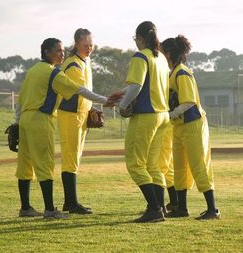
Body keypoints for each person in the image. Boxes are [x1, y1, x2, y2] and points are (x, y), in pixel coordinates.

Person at [15, 38, 108, 219]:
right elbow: (79, 90)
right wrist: (106, 100)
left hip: (26, 120)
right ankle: (50, 210)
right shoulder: (53, 73)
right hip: (41, 119)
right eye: (57, 51)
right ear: (46, 52)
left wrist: (16, 123)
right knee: (45, 163)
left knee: (25, 165)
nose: (62, 53)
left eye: (62, 50)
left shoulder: (32, 70)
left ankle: (25, 208)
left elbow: (20, 101)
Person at [111, 21, 170, 223]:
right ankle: (160, 208)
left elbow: (137, 85)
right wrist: (123, 94)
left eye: (135, 38)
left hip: (146, 115)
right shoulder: (161, 57)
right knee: (153, 165)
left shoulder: (140, 56)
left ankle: (154, 210)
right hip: (163, 115)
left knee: (135, 164)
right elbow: (145, 85)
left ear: (141, 38)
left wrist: (123, 105)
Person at [160, 35, 220, 220]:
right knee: (179, 167)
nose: (159, 54)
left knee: (199, 164)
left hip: (193, 124)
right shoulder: (172, 73)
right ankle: (182, 208)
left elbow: (188, 102)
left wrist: (169, 114)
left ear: (168, 53)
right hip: (179, 126)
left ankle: (212, 209)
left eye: (162, 51)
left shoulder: (182, 73)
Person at [57, 28, 95, 215]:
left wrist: (91, 108)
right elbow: (80, 90)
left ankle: (71, 202)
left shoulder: (85, 62)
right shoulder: (73, 64)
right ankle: (71, 203)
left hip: (81, 115)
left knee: (75, 157)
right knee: (71, 157)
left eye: (91, 45)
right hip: (70, 115)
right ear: (77, 44)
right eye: (85, 45)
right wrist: (103, 100)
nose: (89, 48)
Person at [159, 123, 178, 211]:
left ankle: (159, 205)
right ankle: (174, 202)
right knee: (168, 168)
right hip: (168, 126)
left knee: (159, 167)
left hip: (163, 127)